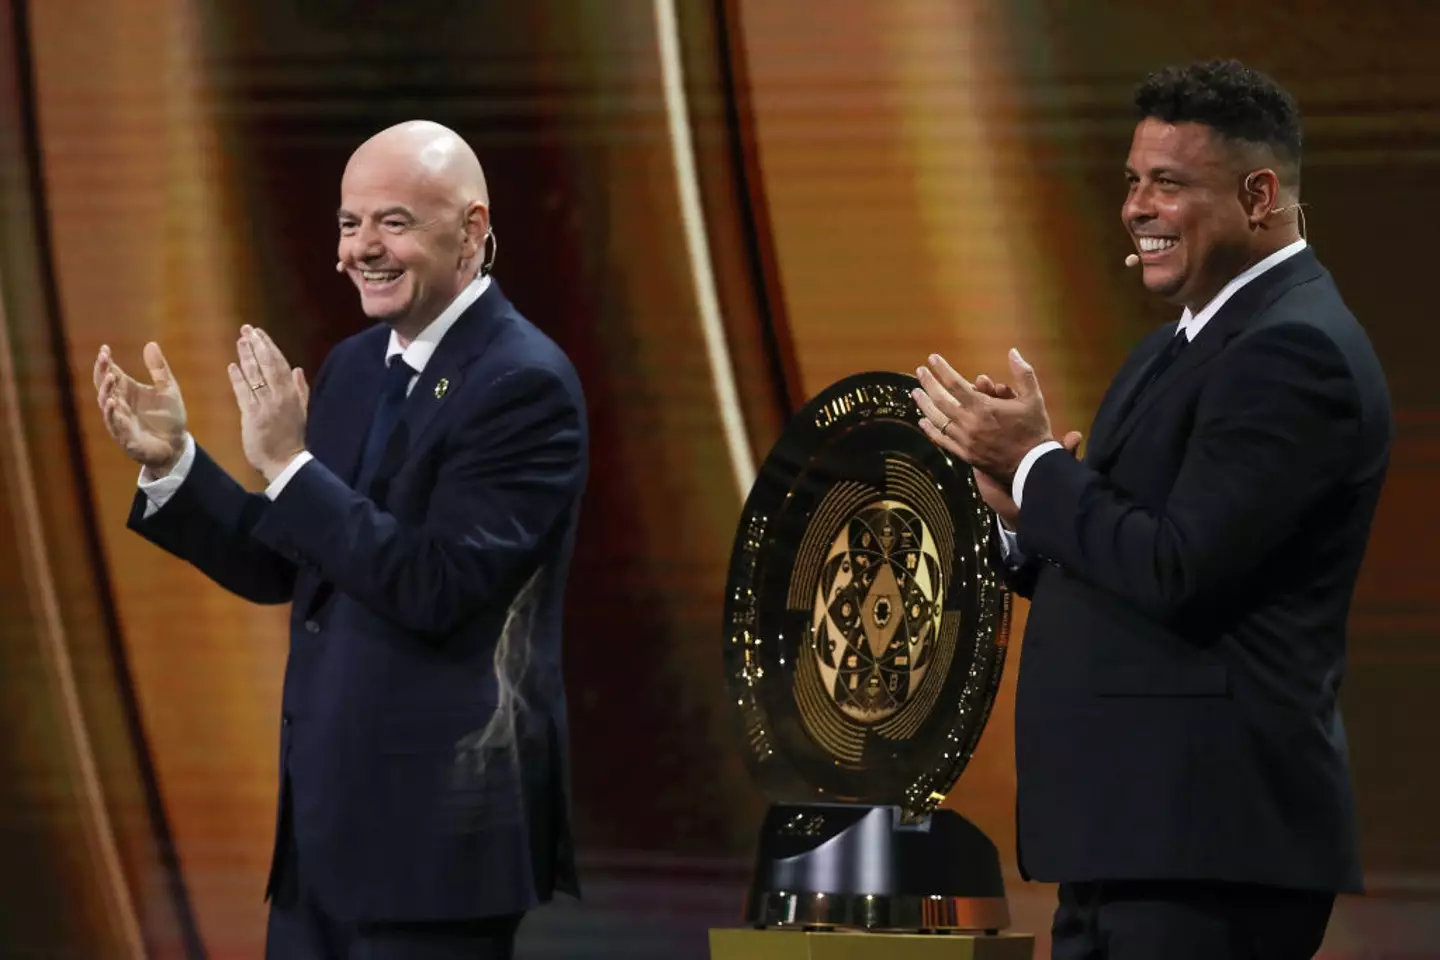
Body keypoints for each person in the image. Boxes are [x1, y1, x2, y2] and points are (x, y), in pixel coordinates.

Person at [912, 60, 1391, 959]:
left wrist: (1037, 465)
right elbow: (1119, 563)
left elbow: (1177, 569)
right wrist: (1018, 509)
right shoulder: (1180, 345)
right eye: (1133, 181)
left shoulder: (1293, 353)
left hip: (1208, 847)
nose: (1136, 207)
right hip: (1131, 837)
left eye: (1168, 184)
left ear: (1259, 195)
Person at [91, 120, 587, 960]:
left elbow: (437, 586)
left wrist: (287, 462)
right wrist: (180, 464)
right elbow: (294, 563)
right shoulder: (357, 366)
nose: (362, 249)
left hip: (435, 851)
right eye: (349, 224)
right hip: (320, 837)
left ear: (472, 230)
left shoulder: (523, 383)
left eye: (393, 222)